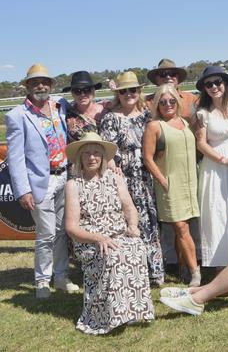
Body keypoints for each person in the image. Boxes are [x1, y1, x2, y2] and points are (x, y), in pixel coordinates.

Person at [63, 132, 154, 334]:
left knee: (136, 247)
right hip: (90, 241)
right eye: (87, 153)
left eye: (96, 153)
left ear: (104, 157)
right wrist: (99, 237)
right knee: (113, 254)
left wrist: (132, 225)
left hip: (118, 234)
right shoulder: (73, 185)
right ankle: (107, 314)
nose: (92, 157)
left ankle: (132, 311)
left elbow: (130, 208)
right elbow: (71, 227)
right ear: (80, 158)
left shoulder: (115, 179)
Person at [5, 64, 79, 298]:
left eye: (45, 82)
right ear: (27, 86)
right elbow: (15, 158)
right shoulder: (18, 116)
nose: (41, 86)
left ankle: (61, 277)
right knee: (46, 233)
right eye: (35, 82)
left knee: (61, 232)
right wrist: (22, 190)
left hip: (64, 176)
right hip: (41, 182)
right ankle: (42, 281)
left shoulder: (59, 105)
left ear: (51, 85)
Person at [99, 71, 165, 285]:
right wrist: (114, 167)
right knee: (125, 221)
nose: (129, 94)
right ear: (118, 94)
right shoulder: (110, 118)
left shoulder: (147, 116)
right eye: (124, 90)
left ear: (139, 91)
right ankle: (129, 270)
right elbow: (106, 149)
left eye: (133, 90)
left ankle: (152, 271)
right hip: (121, 174)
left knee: (148, 221)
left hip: (145, 174)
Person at [143, 84, 201, 286]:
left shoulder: (184, 122)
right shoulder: (154, 126)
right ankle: (196, 272)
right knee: (181, 226)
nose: (167, 104)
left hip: (190, 180)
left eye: (171, 101)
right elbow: (148, 158)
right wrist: (162, 180)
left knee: (185, 227)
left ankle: (183, 266)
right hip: (170, 183)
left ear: (177, 102)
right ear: (157, 104)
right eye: (163, 101)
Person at [194, 66, 228, 268]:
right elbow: (201, 143)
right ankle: (223, 264)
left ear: (225, 84)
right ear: (204, 89)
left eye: (218, 82)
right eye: (209, 84)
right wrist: (223, 159)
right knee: (220, 214)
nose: (214, 87)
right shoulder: (203, 113)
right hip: (217, 168)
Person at [63, 71, 106, 143]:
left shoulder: (105, 111)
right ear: (72, 94)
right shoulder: (67, 114)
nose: (82, 94)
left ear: (93, 91)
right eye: (77, 91)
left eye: (87, 90)